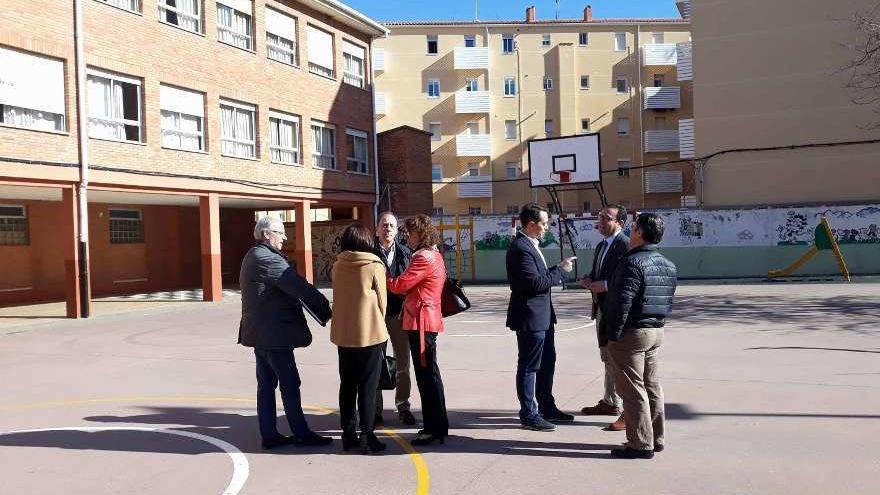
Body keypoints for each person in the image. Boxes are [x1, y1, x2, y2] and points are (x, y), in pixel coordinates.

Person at [238, 216, 333, 449]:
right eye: (281, 233)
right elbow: (301, 287)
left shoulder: (253, 255)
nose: (284, 238)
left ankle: (269, 435)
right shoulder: (269, 260)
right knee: (290, 383)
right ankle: (301, 433)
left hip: (261, 335)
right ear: (267, 235)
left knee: (266, 385)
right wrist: (327, 311)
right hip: (274, 335)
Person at [604, 212, 677, 459]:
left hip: (632, 333)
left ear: (638, 232)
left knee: (633, 390)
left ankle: (640, 443)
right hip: (656, 330)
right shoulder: (668, 264)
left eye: (633, 227)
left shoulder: (631, 262)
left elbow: (620, 304)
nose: (630, 231)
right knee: (652, 385)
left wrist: (611, 336)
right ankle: (656, 438)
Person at [506, 203, 577, 431]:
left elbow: (540, 277)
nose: (547, 227)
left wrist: (556, 268)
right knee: (529, 366)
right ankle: (529, 413)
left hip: (543, 317)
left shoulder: (531, 245)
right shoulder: (521, 248)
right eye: (544, 223)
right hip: (530, 317)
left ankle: (547, 406)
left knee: (547, 362)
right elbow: (535, 283)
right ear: (531, 224)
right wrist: (560, 271)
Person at [387, 214, 448, 446]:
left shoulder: (423, 257)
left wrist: (385, 277)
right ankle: (438, 425)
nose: (407, 237)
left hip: (420, 322)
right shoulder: (434, 254)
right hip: (427, 319)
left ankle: (433, 428)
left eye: (410, 233)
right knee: (430, 375)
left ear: (420, 234)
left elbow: (402, 285)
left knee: (426, 377)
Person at [330, 222, 390, 454]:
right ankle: (368, 435)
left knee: (347, 385)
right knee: (368, 385)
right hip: (370, 333)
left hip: (344, 334)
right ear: (366, 240)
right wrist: (378, 319)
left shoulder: (337, 265)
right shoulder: (375, 265)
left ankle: (348, 434)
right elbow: (383, 302)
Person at [580, 205, 630, 431]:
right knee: (607, 358)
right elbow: (600, 274)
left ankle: (628, 410)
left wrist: (607, 285)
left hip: (616, 312)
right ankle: (610, 401)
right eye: (599, 216)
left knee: (621, 362)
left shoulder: (625, 245)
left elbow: (628, 279)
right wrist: (590, 279)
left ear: (619, 223)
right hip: (601, 310)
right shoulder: (601, 245)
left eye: (605, 218)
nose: (599, 220)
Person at [373, 212, 416, 426]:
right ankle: (376, 408)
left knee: (403, 362)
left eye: (391, 225)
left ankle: (403, 406)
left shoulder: (406, 253)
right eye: (384, 225)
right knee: (377, 362)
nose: (387, 228)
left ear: (397, 230)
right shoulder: (368, 252)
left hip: (399, 315)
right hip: (375, 315)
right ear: (377, 228)